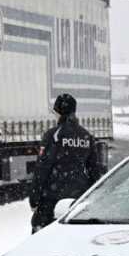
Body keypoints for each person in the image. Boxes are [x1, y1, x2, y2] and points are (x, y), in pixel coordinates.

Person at [30, 93, 106, 233]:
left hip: (52, 198)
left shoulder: (53, 136)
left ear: (59, 113)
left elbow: (42, 168)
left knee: (41, 234)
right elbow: (94, 170)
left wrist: (34, 198)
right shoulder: (86, 136)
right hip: (78, 198)